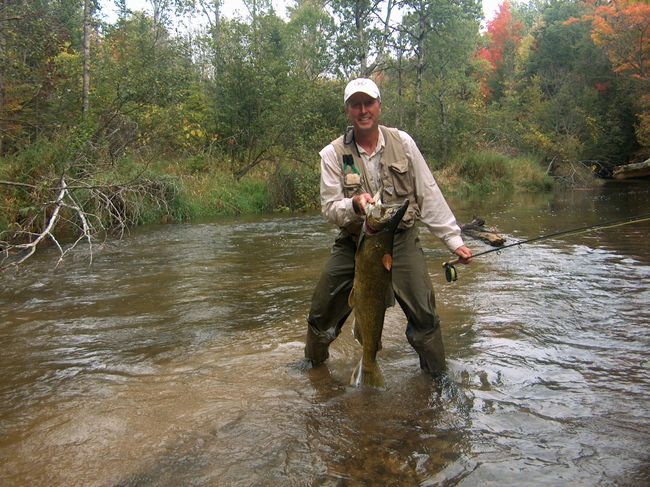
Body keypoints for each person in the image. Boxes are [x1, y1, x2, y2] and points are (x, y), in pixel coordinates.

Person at [304, 78, 472, 376]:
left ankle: (437, 377)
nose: (363, 110)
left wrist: (453, 240)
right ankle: (312, 368)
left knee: (424, 313)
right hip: (356, 242)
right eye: (356, 104)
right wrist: (354, 205)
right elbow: (330, 208)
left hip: (401, 239)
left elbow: (428, 192)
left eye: (368, 103)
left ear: (379, 106)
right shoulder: (332, 154)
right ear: (347, 111)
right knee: (322, 310)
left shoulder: (403, 142)